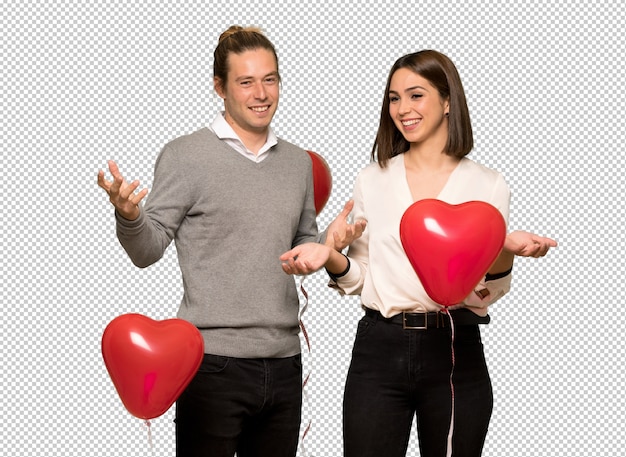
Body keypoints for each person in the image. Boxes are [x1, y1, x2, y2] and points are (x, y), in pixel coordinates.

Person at [97, 25, 362, 457]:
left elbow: (300, 245)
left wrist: (330, 245)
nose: (261, 93)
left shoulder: (297, 163)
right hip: (211, 365)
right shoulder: (186, 155)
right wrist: (129, 216)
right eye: (246, 82)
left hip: (283, 363)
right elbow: (148, 251)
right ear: (219, 87)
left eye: (270, 79)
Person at [280, 50, 557, 457]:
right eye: (394, 98)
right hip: (380, 349)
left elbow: (485, 292)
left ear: (447, 101)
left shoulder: (488, 185)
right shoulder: (372, 180)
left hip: (455, 349)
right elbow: (362, 277)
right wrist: (332, 256)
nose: (403, 109)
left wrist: (504, 250)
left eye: (415, 95)